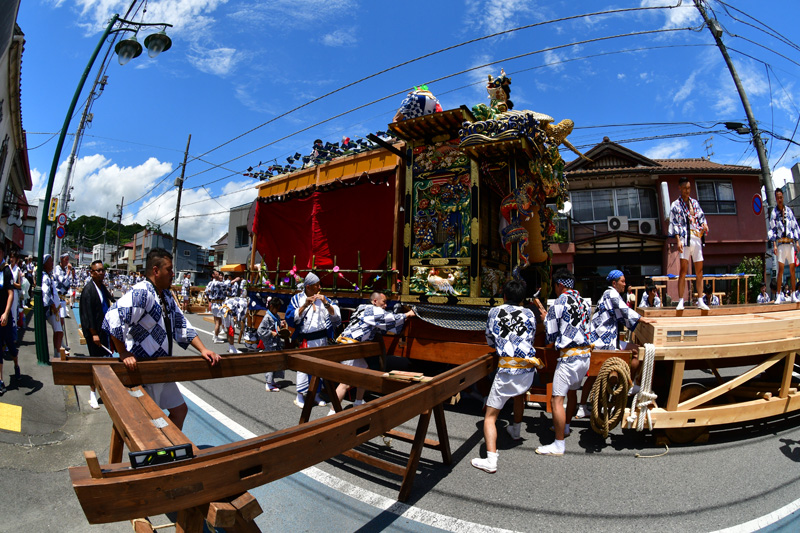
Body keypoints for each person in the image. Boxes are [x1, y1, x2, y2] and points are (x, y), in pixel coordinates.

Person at [102, 248, 220, 430]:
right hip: (143, 369)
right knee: (144, 423)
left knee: (179, 411)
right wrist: (123, 352)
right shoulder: (142, 292)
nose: (173, 274)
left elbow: (181, 324)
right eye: (169, 270)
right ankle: (154, 454)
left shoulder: (165, 295)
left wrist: (203, 349)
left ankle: (166, 450)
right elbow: (114, 317)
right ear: (156, 271)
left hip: (161, 368)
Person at [471, 280, 541, 473]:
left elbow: (489, 339)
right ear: (522, 298)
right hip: (527, 368)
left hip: (508, 369)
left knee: (490, 417)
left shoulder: (495, 312)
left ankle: (491, 460)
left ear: (504, 296)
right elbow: (531, 337)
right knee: (519, 394)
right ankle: (516, 431)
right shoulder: (529, 313)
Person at [328, 292, 415, 416]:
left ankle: (358, 402)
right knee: (345, 382)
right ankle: (331, 412)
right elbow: (391, 319)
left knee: (364, 373)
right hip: (350, 346)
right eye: (383, 302)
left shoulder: (363, 307)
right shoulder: (373, 311)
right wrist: (408, 314)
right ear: (375, 301)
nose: (385, 305)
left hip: (355, 346)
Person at [535, 268, 592, 456]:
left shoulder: (559, 302)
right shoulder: (583, 302)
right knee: (573, 392)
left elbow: (550, 336)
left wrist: (545, 318)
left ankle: (559, 444)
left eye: (555, 286)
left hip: (569, 358)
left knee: (557, 399)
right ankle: (566, 427)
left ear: (559, 285)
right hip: (584, 356)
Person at [582, 270, 641, 417]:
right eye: (622, 281)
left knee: (593, 375)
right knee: (637, 351)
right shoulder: (611, 294)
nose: (625, 284)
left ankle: (582, 405)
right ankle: (629, 385)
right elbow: (625, 311)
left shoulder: (610, 294)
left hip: (605, 339)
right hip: (603, 342)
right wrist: (642, 319)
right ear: (614, 283)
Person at [285, 272, 341, 408]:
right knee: (303, 368)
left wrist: (326, 304)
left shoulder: (323, 298)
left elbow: (336, 317)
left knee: (319, 368)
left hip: (322, 338)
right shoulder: (297, 298)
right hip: (307, 339)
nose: (319, 287)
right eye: (316, 285)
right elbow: (289, 317)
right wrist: (304, 305)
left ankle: (315, 394)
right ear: (308, 287)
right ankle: (299, 396)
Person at [79, 260, 116, 409]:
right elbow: (87, 314)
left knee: (106, 362)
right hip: (95, 333)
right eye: (98, 270)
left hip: (104, 331)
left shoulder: (102, 287)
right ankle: (92, 394)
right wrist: (93, 333)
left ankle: (105, 392)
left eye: (102, 270)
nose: (101, 273)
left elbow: (111, 301)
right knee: (95, 363)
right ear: (91, 273)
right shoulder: (88, 290)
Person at [669, 177, 709, 311]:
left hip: (696, 237)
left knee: (700, 271)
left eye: (689, 188)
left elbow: (702, 217)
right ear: (679, 188)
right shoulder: (675, 204)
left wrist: (704, 225)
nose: (687, 191)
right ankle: (681, 300)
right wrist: (678, 240)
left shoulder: (695, 203)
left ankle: (700, 300)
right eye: (685, 188)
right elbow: (674, 223)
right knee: (683, 271)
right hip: (685, 238)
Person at [768, 188, 800, 303]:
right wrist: (774, 244)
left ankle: (793, 294)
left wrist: (797, 242)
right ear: (776, 199)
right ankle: (778, 295)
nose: (779, 199)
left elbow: (795, 226)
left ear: (783, 197)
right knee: (780, 270)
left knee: (792, 269)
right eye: (777, 198)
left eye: (781, 197)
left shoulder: (789, 211)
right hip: (781, 243)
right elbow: (771, 229)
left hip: (790, 243)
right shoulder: (774, 213)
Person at [0, 243, 18, 395]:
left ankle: (16, 365)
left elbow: (10, 294)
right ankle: (0, 380)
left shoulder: (6, 271)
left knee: (10, 346)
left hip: (4, 315)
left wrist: (6, 313)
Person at [257, 297, 286, 391]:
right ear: (271, 306)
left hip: (276, 342)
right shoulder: (267, 317)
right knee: (271, 362)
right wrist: (270, 333)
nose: (277, 310)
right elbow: (260, 330)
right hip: (270, 343)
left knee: (275, 362)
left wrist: (281, 323)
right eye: (276, 308)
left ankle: (272, 381)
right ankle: (268, 383)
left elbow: (276, 325)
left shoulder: (275, 315)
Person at [41, 254, 65, 356]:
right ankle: (57, 353)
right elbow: (46, 293)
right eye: (50, 261)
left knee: (59, 331)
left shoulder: (48, 275)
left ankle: (57, 351)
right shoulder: (45, 276)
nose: (52, 263)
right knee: (59, 331)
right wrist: (53, 306)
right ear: (45, 263)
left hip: (55, 307)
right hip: (52, 309)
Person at [205, 271, 226, 343]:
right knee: (218, 322)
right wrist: (234, 280)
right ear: (213, 275)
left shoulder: (211, 283)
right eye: (217, 274)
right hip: (218, 304)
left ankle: (215, 335)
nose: (219, 275)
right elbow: (227, 285)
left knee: (217, 321)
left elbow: (207, 291)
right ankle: (216, 338)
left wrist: (209, 300)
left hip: (214, 303)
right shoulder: (218, 283)